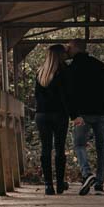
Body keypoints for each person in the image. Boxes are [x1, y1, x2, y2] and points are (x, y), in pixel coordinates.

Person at [64, 38, 104, 195]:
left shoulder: (72, 68)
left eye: (69, 47)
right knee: (101, 147)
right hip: (102, 113)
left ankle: (87, 173)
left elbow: (69, 94)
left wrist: (74, 114)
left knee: (79, 145)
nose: (67, 50)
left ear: (75, 48)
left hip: (82, 114)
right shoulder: (100, 65)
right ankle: (99, 183)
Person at [33, 44, 70, 195]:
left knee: (45, 148)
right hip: (59, 114)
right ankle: (60, 183)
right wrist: (73, 114)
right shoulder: (64, 71)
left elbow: (37, 96)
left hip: (42, 115)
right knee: (60, 148)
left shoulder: (40, 73)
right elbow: (67, 96)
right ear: (60, 55)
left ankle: (48, 185)